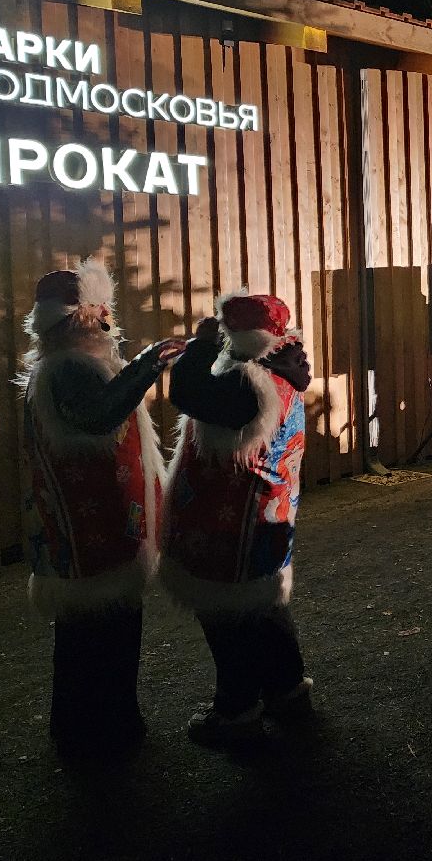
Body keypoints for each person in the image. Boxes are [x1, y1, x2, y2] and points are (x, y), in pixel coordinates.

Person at [16, 259, 183, 757]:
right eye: (98, 307)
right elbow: (99, 416)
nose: (108, 316)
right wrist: (149, 364)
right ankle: (102, 729)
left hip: (92, 523)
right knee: (102, 632)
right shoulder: (70, 368)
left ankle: (88, 723)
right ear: (80, 315)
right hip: (93, 528)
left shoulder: (66, 364)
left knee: (90, 631)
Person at [161, 293, 313, 746]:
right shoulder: (281, 369)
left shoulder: (248, 381)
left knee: (228, 618)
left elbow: (187, 393)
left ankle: (237, 713)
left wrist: (201, 346)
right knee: (264, 607)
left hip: (229, 524)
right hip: (264, 514)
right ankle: (287, 691)